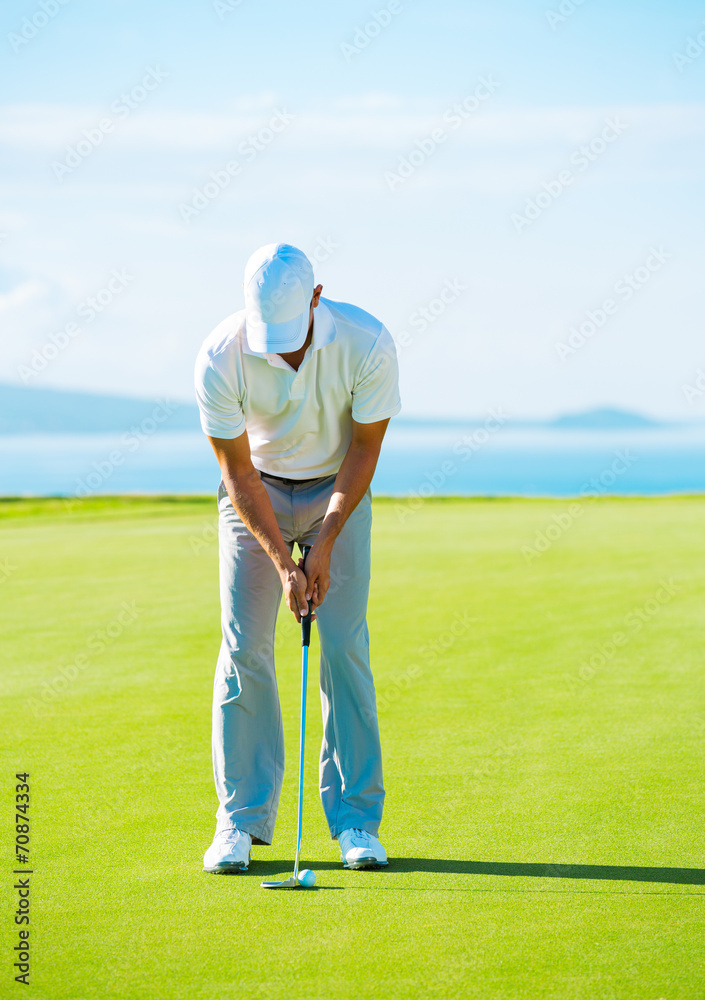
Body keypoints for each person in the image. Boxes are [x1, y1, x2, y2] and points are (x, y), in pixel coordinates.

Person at [194, 242, 401, 873]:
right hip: (255, 488)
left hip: (338, 486)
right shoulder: (218, 356)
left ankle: (356, 821)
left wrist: (326, 541)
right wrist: (286, 563)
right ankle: (240, 821)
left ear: (318, 298)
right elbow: (235, 469)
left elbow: (365, 449)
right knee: (244, 646)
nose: (280, 352)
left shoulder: (367, 342)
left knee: (342, 645)